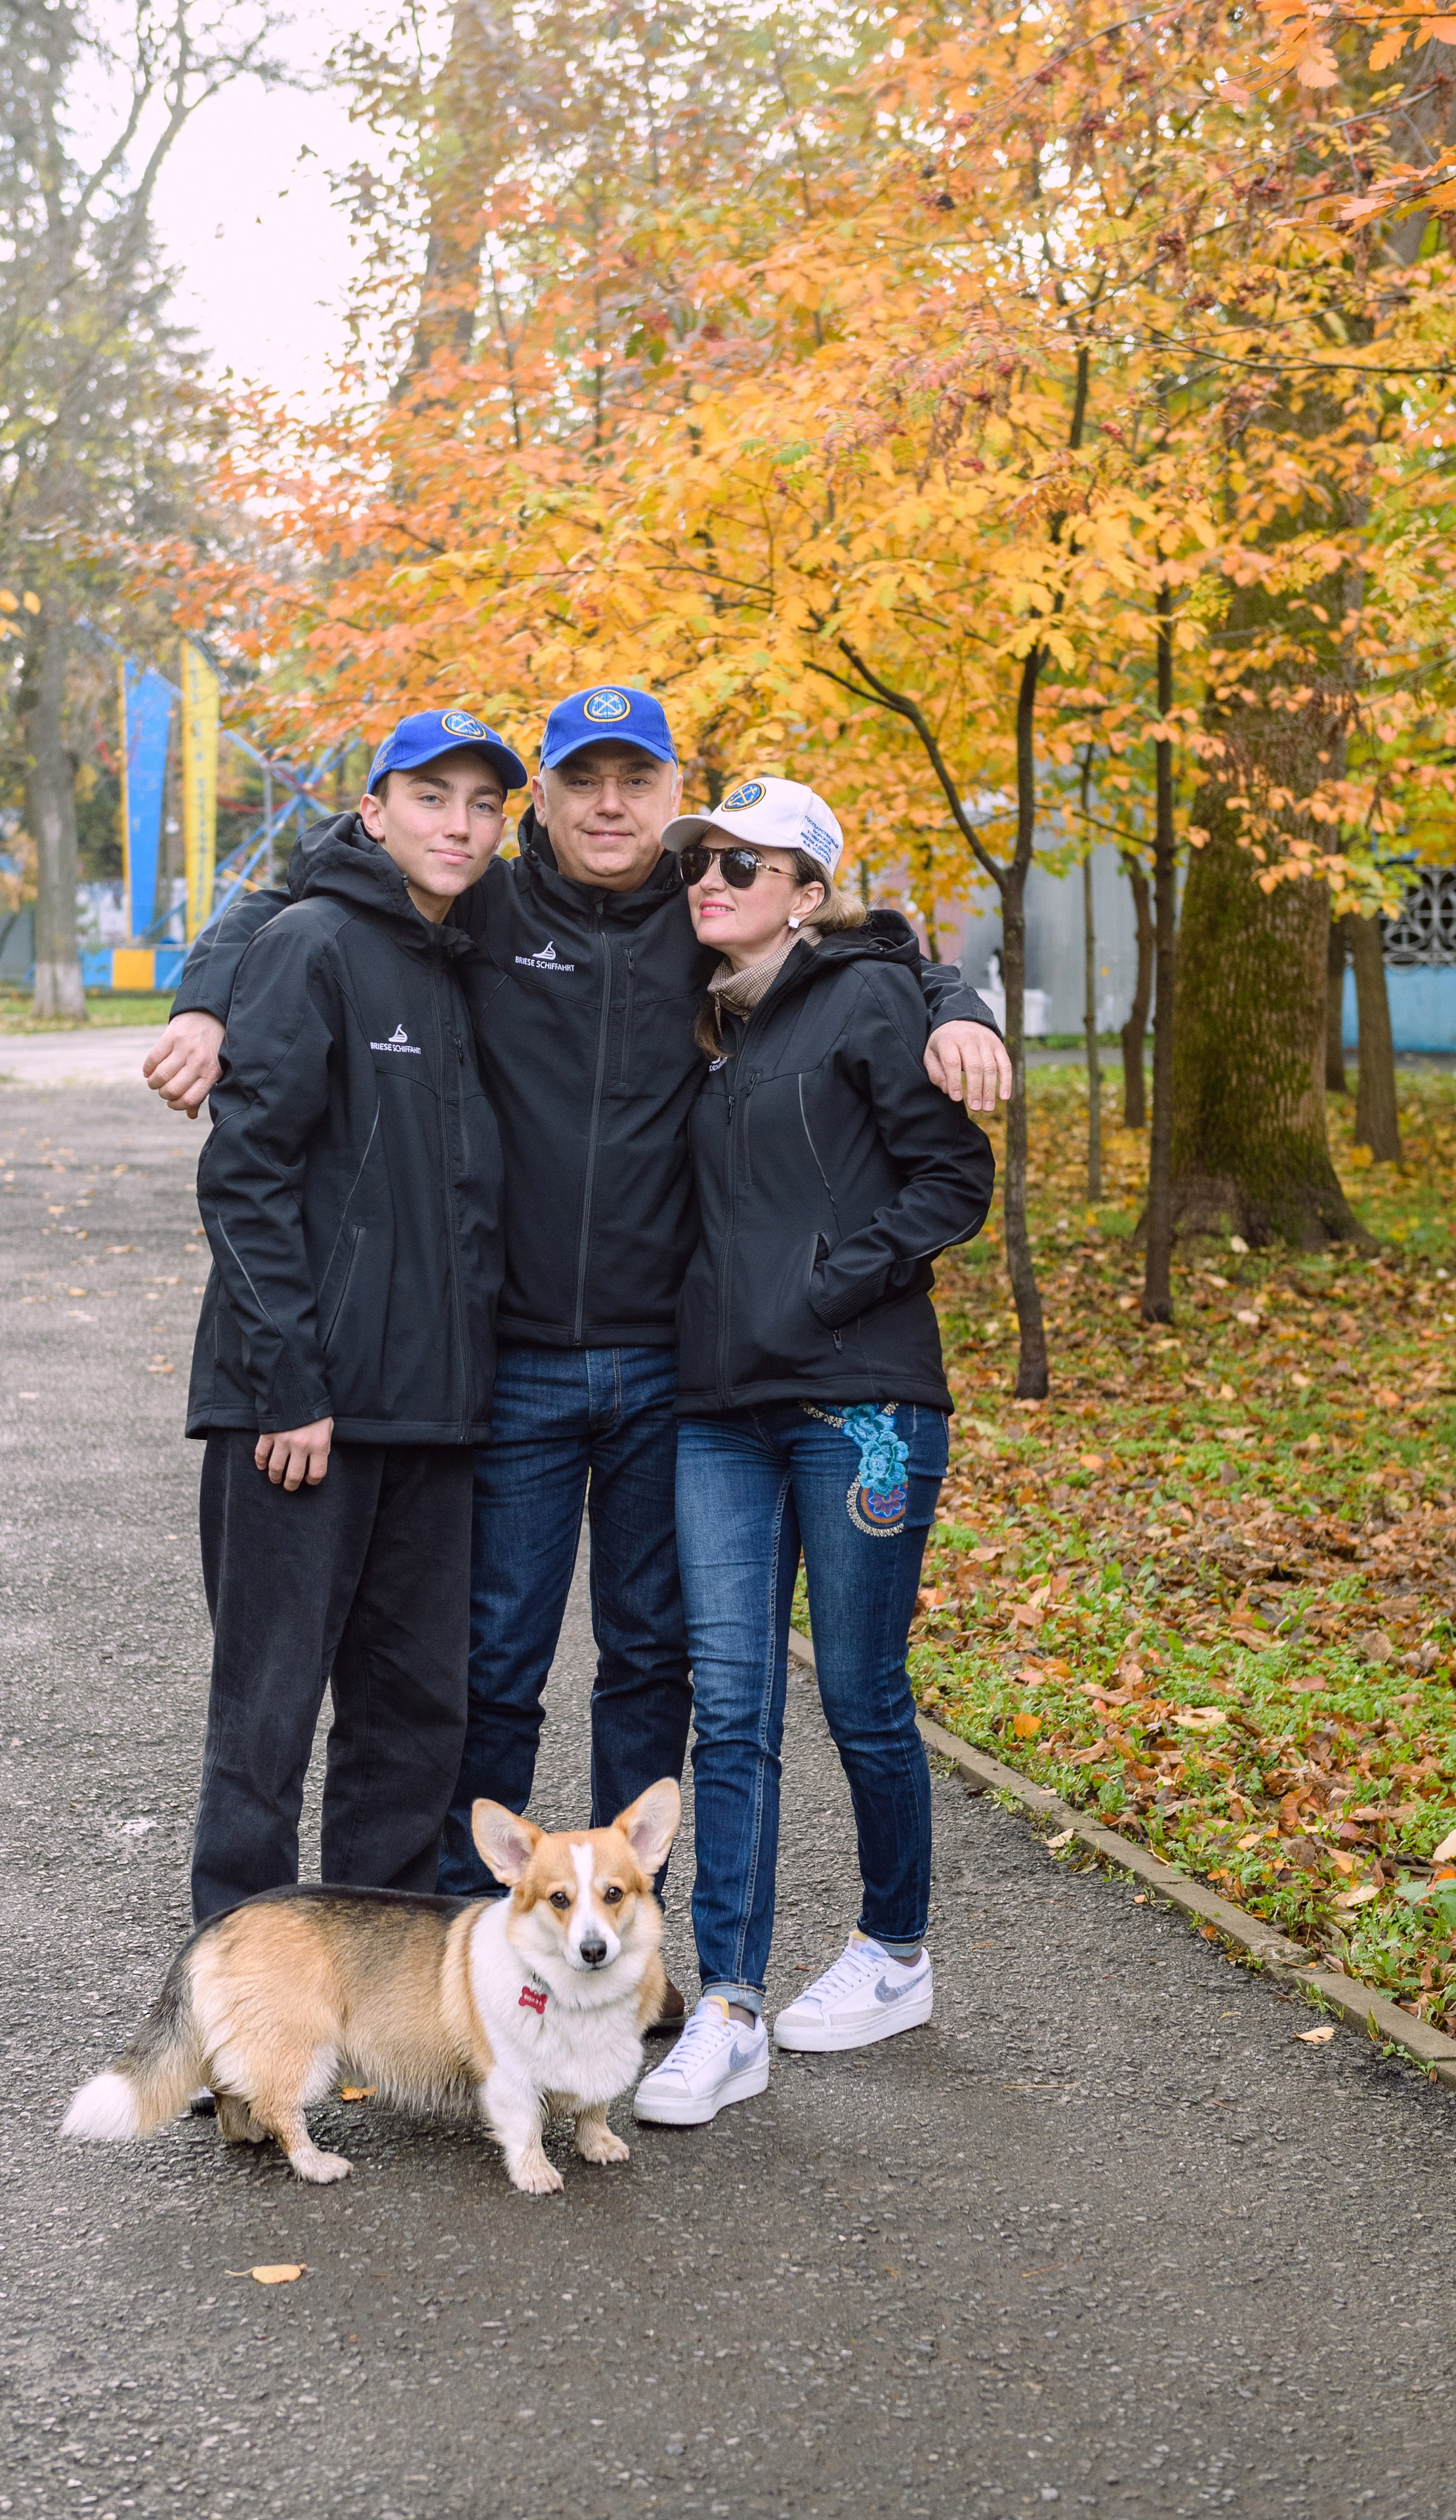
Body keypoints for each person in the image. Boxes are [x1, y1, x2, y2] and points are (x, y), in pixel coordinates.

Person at [149, 690, 1009, 1988]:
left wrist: (958, 1004)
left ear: (672, 798)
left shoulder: (703, 909)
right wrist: (206, 999)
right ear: (540, 800)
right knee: (483, 1671)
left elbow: (857, 941)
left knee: (647, 1664)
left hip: (671, 1366)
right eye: (579, 781)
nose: (610, 806)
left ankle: (629, 1960)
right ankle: (463, 1956)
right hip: (509, 1366)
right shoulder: (480, 909)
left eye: (636, 782)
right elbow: (300, 900)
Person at [632, 777, 995, 2129]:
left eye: (745, 864)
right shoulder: (705, 1022)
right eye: (702, 860)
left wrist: (827, 1286)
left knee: (857, 1690)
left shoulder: (869, 998)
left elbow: (953, 1178)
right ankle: (728, 2009)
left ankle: (894, 1951)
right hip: (718, 1413)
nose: (710, 880)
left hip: (858, 1407)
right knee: (729, 1704)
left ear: (807, 892)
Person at [185, 711, 526, 1925]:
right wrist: (290, 1386)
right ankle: (239, 1999)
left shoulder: (465, 955)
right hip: (303, 1416)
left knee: (412, 1724)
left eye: (484, 805)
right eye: (433, 797)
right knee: (266, 1720)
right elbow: (245, 1176)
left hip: (432, 1417)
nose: (461, 824)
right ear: (373, 812)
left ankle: (370, 1989)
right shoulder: (312, 945)